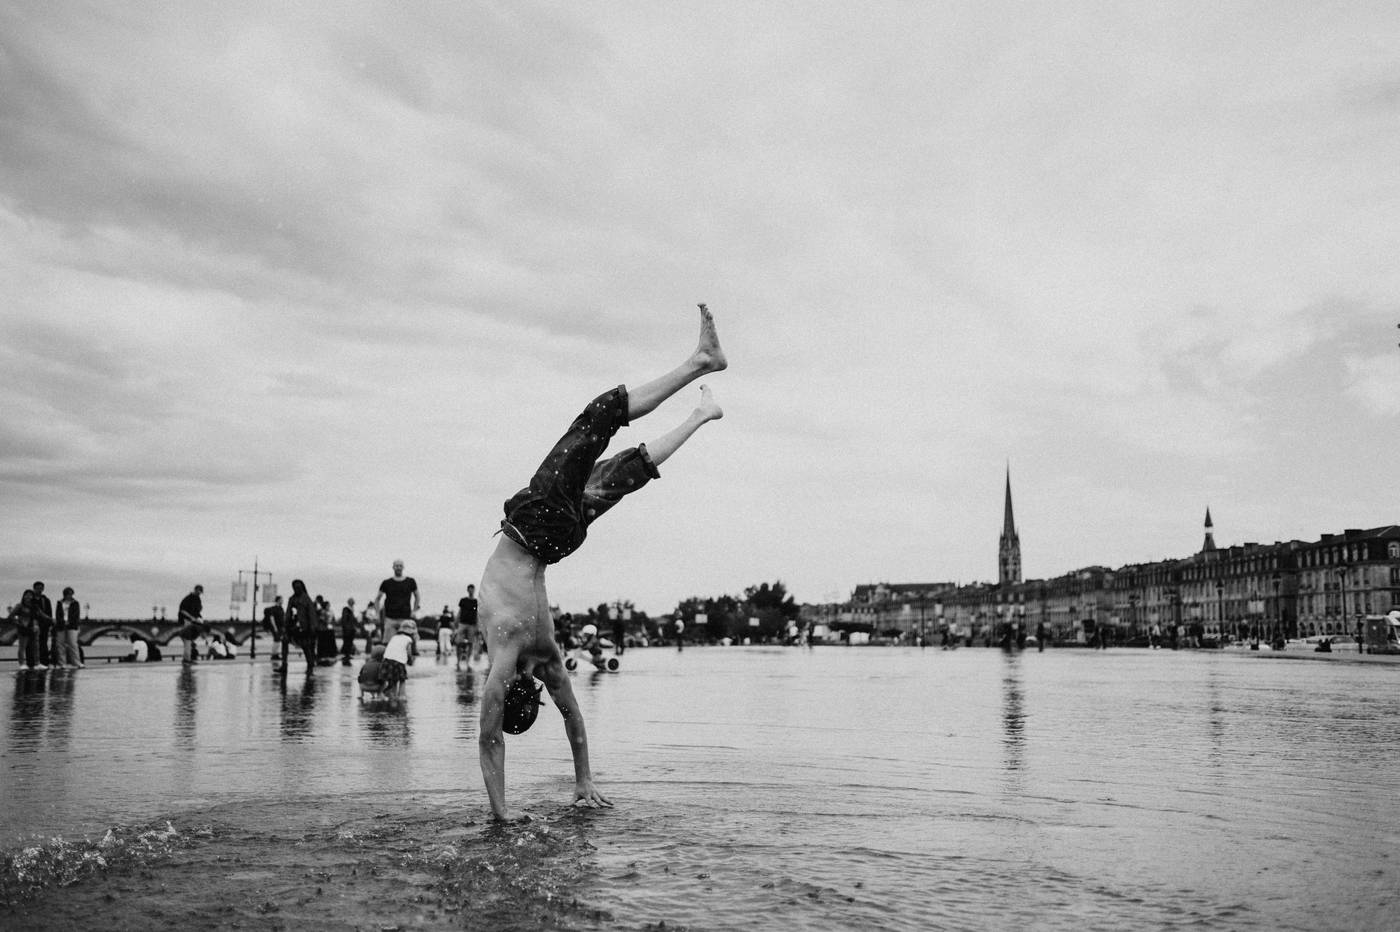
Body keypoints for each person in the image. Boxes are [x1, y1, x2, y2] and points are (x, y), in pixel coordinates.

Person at [479, 303, 726, 821]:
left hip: (559, 540)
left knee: (623, 472)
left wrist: (573, 782)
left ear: (532, 694)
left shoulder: (544, 658)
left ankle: (702, 414)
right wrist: (565, 786)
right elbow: (490, 737)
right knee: (599, 416)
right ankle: (700, 363)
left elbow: (567, 721)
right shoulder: (512, 647)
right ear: (512, 691)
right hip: (537, 526)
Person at [375, 560, 420, 644]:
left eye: (400, 566)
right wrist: (377, 614)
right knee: (388, 644)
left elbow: (417, 596)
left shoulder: (410, 581)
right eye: (396, 566)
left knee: (407, 644)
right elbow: (377, 599)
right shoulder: (386, 583)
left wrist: (414, 611)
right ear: (393, 567)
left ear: (403, 567)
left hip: (405, 618)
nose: (398, 567)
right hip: (390, 618)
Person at [282, 580, 319, 674]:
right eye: (294, 587)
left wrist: (312, 627)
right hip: (292, 626)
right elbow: (288, 612)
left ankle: (310, 665)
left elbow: (311, 614)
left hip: (304, 627)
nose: (296, 589)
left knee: (306, 646)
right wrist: (286, 625)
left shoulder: (306, 599)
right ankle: (284, 665)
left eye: (298, 587)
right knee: (285, 641)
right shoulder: (292, 599)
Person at [381, 620, 418, 700]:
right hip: (399, 661)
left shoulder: (394, 637)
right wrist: (410, 661)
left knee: (393, 680)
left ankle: (392, 695)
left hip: (387, 660)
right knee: (402, 679)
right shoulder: (408, 639)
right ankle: (402, 695)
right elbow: (409, 652)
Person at [53, 587, 84, 668]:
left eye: (70, 594)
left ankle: (76, 662)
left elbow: (76, 614)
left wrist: (70, 622)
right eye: (67, 594)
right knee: (60, 644)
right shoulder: (59, 603)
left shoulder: (75, 603)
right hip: (61, 625)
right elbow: (57, 614)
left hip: (72, 626)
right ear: (64, 594)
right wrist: (61, 622)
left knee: (73, 644)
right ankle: (62, 663)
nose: (69, 596)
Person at [177, 585, 204, 665]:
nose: (199, 594)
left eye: (200, 592)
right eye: (199, 591)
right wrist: (191, 617)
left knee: (189, 641)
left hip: (193, 622)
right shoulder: (188, 598)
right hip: (186, 621)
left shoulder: (198, 599)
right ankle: (187, 659)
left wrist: (199, 618)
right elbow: (182, 610)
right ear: (195, 590)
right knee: (187, 640)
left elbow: (198, 611)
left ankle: (188, 658)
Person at [457, 584, 480, 667]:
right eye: (470, 589)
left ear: (474, 590)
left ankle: (468, 660)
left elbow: (477, 614)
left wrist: (478, 625)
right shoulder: (463, 600)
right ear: (467, 590)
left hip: (472, 624)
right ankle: (458, 659)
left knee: (470, 642)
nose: (471, 591)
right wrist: (456, 622)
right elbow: (459, 611)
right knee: (458, 642)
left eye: (472, 589)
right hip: (462, 623)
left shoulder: (476, 602)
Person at [263, 596, 285, 665]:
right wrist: (274, 627)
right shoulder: (274, 609)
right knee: (277, 640)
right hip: (276, 627)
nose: (282, 601)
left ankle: (275, 654)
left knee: (278, 640)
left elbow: (283, 617)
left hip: (281, 627)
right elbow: (272, 618)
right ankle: (273, 654)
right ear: (278, 600)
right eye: (281, 600)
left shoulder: (281, 608)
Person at [340, 598, 359, 665]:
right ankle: (346, 656)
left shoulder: (350, 610)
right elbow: (344, 620)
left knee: (349, 643)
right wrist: (347, 628)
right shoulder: (346, 609)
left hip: (351, 629)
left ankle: (347, 655)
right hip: (348, 630)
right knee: (347, 643)